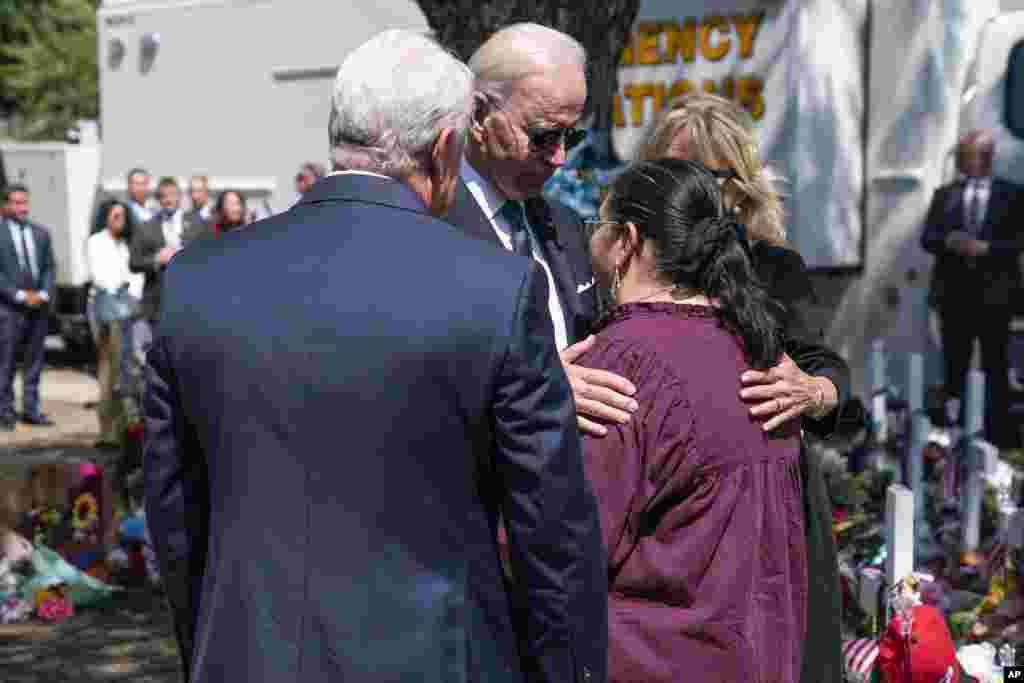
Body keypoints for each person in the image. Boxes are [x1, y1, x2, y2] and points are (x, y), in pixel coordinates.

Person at [143, 28, 606, 683]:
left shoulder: (196, 282)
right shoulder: (497, 291)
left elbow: (174, 515)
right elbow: (550, 531)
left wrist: (214, 650)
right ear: (449, 147)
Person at [635, 92, 857, 683]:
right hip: (668, 500)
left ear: (740, 186)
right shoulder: (630, 262)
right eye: (673, 173)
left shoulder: (774, 268)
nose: (691, 191)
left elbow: (827, 367)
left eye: (706, 175)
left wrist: (813, 392)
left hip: (767, 499)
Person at [579, 158, 805, 683]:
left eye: (597, 227)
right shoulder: (756, 351)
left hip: (655, 661)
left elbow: (565, 546)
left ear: (626, 241)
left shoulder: (621, 363)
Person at [445, 23, 640, 437]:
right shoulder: (427, 227)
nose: (561, 158)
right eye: (544, 137)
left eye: (571, 135)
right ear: (479, 115)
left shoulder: (565, 226)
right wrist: (539, 389)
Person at [921, 130, 1023, 449]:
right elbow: (928, 238)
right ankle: (955, 432)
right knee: (955, 367)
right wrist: (948, 242)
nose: (961, 160)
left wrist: (986, 249)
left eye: (967, 154)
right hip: (955, 297)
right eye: (961, 154)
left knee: (995, 365)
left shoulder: (1012, 195)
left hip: (995, 297)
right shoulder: (945, 194)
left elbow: (1017, 243)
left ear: (987, 157)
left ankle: (998, 435)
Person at [86, 200, 144, 446]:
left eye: (123, 216)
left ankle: (126, 429)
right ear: (106, 217)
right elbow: (101, 277)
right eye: (116, 215)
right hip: (108, 310)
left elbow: (135, 276)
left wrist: (129, 290)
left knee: (129, 372)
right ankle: (107, 431)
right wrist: (123, 285)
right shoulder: (96, 241)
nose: (120, 220)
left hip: (129, 309)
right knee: (109, 371)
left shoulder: (127, 243)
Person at [0, 184, 56, 430]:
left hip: (38, 308)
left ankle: (31, 410)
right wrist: (20, 295)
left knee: (34, 362)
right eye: (16, 202)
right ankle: (5, 412)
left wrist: (44, 293)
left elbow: (49, 268)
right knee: (7, 362)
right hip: (10, 309)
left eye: (25, 202)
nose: (22, 208)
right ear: (5, 205)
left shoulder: (41, 233)